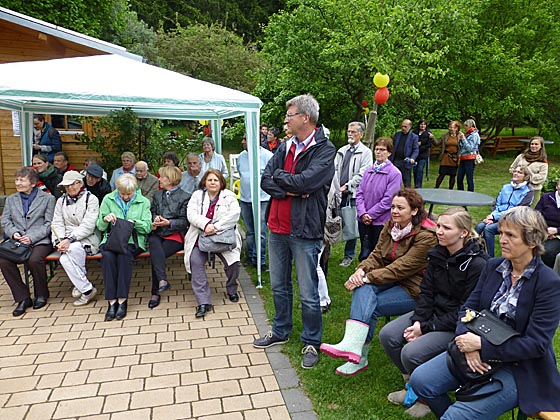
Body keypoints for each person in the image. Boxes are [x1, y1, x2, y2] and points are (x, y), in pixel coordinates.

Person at [410, 207, 560, 419]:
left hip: (520, 366)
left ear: (532, 241)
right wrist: (466, 343)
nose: (502, 240)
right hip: (476, 348)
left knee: (456, 416)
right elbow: (467, 309)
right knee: (420, 381)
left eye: (511, 235)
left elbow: (536, 344)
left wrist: (482, 346)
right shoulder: (493, 266)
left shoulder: (548, 283)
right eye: (501, 234)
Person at [252, 94, 335, 370]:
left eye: (290, 115)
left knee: (309, 292)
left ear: (305, 118)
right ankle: (280, 330)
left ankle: (312, 340)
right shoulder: (285, 146)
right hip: (277, 227)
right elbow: (266, 179)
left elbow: (308, 182)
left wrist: (289, 183)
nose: (286, 119)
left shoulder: (324, 149)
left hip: (304, 230)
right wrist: (291, 188)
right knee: (279, 286)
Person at [379, 208, 488, 417]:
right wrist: (419, 321)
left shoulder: (477, 264)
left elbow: (466, 311)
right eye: (438, 225)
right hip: (431, 315)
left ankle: (425, 398)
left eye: (446, 228)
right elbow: (426, 292)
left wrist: (426, 328)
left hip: (456, 324)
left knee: (411, 352)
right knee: (389, 335)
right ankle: (412, 384)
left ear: (463, 233)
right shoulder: (437, 253)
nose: (439, 231)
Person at [320, 189, 437, 376]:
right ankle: (354, 348)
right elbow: (376, 254)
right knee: (364, 289)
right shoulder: (391, 226)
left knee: (369, 302)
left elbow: (402, 267)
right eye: (392, 207)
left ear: (414, 211)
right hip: (391, 278)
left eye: (400, 208)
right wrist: (361, 270)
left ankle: (357, 353)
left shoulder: (426, 236)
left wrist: (366, 277)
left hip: (415, 288)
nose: (394, 211)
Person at [184, 169, 242, 318]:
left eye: (216, 180)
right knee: (195, 261)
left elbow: (234, 214)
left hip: (223, 237)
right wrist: (206, 225)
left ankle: (231, 288)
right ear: (204, 182)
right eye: (210, 180)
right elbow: (191, 214)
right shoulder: (197, 195)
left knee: (234, 263)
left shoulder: (228, 196)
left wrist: (215, 228)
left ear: (221, 182)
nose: (212, 182)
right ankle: (203, 302)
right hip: (201, 236)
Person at [0, 167, 56, 316]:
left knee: (34, 260)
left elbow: (49, 224)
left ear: (33, 183)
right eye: (17, 179)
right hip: (17, 240)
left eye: (22, 180)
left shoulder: (48, 199)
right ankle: (23, 298)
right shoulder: (11, 199)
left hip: (40, 240)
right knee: (3, 260)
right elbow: (5, 221)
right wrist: (14, 233)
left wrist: (32, 237)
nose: (18, 183)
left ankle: (41, 294)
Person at [96, 174, 152, 321]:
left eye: (129, 194)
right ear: (117, 190)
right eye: (123, 194)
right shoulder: (108, 199)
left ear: (134, 190)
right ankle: (111, 301)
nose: (126, 197)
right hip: (111, 240)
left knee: (124, 257)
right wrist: (105, 219)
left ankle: (122, 299)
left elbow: (147, 227)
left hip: (133, 241)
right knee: (107, 257)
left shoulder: (143, 202)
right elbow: (100, 226)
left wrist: (135, 222)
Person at [51, 171, 100, 306]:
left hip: (87, 238)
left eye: (72, 184)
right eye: (66, 186)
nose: (69, 188)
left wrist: (69, 240)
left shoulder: (92, 199)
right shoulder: (61, 201)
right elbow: (57, 223)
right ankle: (86, 288)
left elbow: (88, 225)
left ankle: (82, 286)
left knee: (69, 252)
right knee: (64, 257)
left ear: (79, 183)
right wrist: (59, 241)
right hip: (66, 239)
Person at [148, 166, 190, 309]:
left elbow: (185, 221)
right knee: (154, 245)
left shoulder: (185, 196)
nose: (159, 179)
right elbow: (152, 212)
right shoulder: (157, 195)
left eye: (162, 177)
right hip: (158, 232)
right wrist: (155, 219)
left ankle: (155, 292)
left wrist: (169, 222)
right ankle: (162, 281)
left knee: (156, 255)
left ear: (170, 179)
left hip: (175, 235)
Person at [355, 137, 402, 261]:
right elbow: (359, 193)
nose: (378, 152)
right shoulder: (368, 170)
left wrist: (371, 215)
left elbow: (388, 199)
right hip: (363, 219)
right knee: (365, 246)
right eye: (376, 149)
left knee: (377, 250)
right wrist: (363, 213)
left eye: (382, 150)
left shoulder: (394, 173)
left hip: (380, 221)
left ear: (389, 153)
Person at [335, 121, 373, 267]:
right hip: (337, 192)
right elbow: (335, 168)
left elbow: (363, 173)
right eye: (349, 131)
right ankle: (327, 251)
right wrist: (335, 186)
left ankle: (348, 255)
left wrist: (348, 185)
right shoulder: (342, 150)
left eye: (353, 132)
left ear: (361, 134)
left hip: (352, 194)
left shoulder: (366, 152)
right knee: (332, 221)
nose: (350, 134)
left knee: (351, 224)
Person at [476, 166, 533, 257]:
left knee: (488, 229)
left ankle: (489, 257)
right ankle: (477, 252)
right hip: (497, 215)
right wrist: (492, 216)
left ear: (525, 176)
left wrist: (495, 217)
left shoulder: (528, 191)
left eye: (519, 172)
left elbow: (517, 210)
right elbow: (497, 204)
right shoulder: (506, 187)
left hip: (513, 219)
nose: (515, 173)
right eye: (515, 171)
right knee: (479, 227)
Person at [238, 136, 274, 270]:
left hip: (262, 199)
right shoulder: (242, 156)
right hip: (245, 198)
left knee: (261, 231)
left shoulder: (267, 156)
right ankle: (250, 256)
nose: (242, 142)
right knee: (250, 230)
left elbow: (272, 177)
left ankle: (261, 259)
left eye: (245, 139)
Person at [509, 136, 548, 206]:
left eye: (536, 144)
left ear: (541, 146)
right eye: (532, 144)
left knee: (530, 213)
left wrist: (528, 174)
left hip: (533, 190)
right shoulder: (521, 157)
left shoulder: (543, 162)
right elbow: (512, 168)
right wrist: (518, 174)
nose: (533, 146)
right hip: (517, 188)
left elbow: (542, 178)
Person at [535, 179, 560, 267]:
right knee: (523, 243)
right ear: (557, 187)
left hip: (557, 235)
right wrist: (544, 230)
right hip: (541, 230)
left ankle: (549, 274)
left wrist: (556, 230)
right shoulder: (546, 197)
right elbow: (536, 215)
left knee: (547, 251)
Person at [390, 119, 419, 188]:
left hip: (405, 162)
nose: (403, 128)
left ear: (410, 127)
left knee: (407, 182)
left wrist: (412, 158)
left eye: (405, 127)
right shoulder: (397, 135)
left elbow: (415, 149)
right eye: (402, 126)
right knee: (394, 181)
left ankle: (407, 197)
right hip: (395, 161)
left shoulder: (414, 137)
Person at [433, 121, 461, 190]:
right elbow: (437, 143)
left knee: (453, 175)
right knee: (442, 174)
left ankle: (450, 190)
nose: (451, 129)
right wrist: (432, 137)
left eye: (453, 127)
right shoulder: (444, 136)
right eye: (450, 127)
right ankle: (436, 188)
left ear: (457, 128)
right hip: (445, 157)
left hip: (454, 159)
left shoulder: (460, 136)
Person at [457, 119, 480, 192]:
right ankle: (461, 194)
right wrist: (460, 139)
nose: (465, 127)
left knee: (469, 178)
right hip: (463, 158)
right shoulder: (467, 134)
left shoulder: (474, 135)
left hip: (470, 159)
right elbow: (462, 147)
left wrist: (463, 138)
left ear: (470, 126)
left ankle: (470, 194)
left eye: (466, 126)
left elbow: (469, 148)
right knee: (459, 178)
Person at [412, 119, 434, 189]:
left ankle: (419, 186)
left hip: (423, 155)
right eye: (421, 124)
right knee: (415, 171)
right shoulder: (414, 132)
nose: (422, 126)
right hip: (415, 155)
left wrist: (421, 146)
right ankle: (416, 185)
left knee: (420, 170)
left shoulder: (428, 133)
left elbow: (429, 144)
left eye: (424, 124)